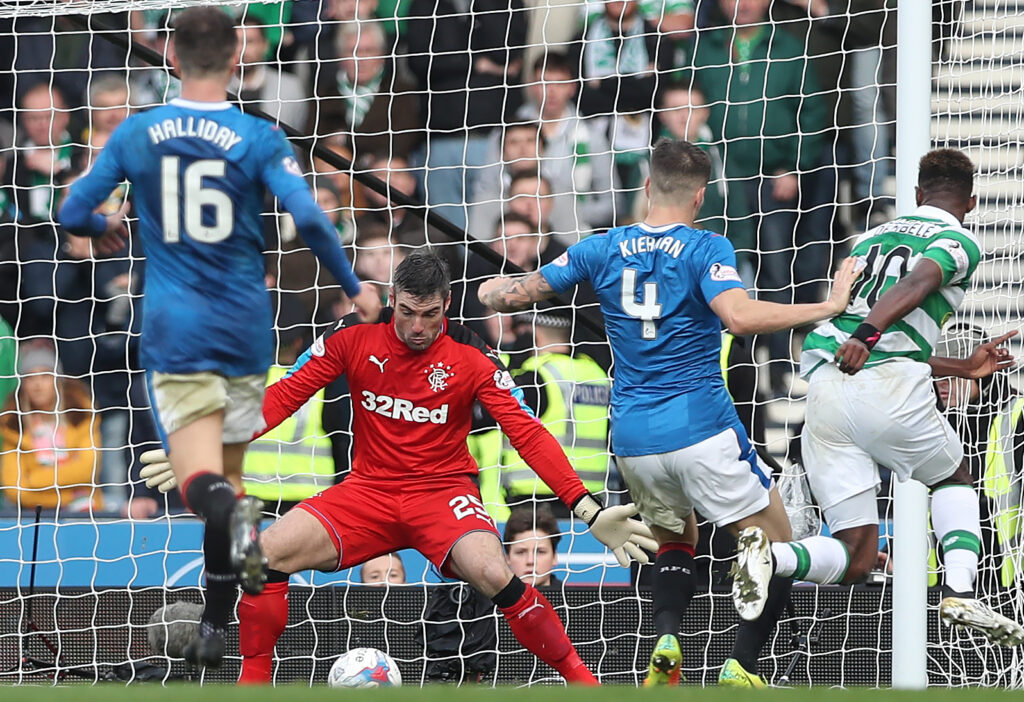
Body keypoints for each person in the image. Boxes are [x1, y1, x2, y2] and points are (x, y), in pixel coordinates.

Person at [142, 250, 655, 684]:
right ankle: (252, 686)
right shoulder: (352, 338)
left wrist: (586, 509)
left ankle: (587, 686)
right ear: (392, 299)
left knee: (496, 571)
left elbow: (527, 432)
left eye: (429, 314)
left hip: (442, 494)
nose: (416, 326)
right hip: (367, 492)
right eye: (407, 311)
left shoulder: (472, 355)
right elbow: (283, 396)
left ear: (446, 305)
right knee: (265, 556)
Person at [57, 6, 380, 669]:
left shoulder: (138, 132)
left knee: (203, 480)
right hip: (244, 325)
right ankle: (213, 621)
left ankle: (230, 539)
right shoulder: (257, 136)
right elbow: (313, 219)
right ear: (237, 59)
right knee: (228, 477)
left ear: (171, 58)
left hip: (176, 326)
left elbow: (69, 210)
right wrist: (353, 286)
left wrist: (102, 228)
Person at [477, 138, 861, 687]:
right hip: (700, 424)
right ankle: (743, 669)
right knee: (780, 547)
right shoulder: (708, 248)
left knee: (676, 539)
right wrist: (826, 305)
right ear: (701, 196)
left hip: (633, 436)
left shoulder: (600, 247)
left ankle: (667, 638)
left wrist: (494, 292)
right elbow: (740, 318)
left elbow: (520, 293)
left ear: (649, 185)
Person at [732, 149, 1024, 649]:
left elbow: (889, 339)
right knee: (953, 476)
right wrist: (867, 336)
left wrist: (961, 367)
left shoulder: (869, 238)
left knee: (857, 557)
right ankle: (959, 590)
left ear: (915, 195)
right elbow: (916, 282)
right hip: (882, 383)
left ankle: (772, 557)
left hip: (825, 388)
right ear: (971, 202)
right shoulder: (957, 240)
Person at [934, 323, 1024, 592]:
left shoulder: (1018, 414)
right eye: (937, 376)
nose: (941, 385)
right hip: (940, 577)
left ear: (982, 375)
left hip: (1008, 578)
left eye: (951, 376)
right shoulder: (929, 421)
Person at [1, 343, 103, 513]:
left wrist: (34, 480)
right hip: (31, 515)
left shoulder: (82, 416)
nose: (37, 384)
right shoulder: (13, 426)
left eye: (45, 375)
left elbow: (87, 470)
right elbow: (14, 489)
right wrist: (68, 495)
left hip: (83, 513)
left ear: (58, 380)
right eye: (30, 377)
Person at [504, 503, 562, 587]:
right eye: (520, 552)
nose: (530, 561)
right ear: (507, 558)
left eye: (540, 552)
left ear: (554, 557)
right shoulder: (489, 599)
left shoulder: (571, 599)